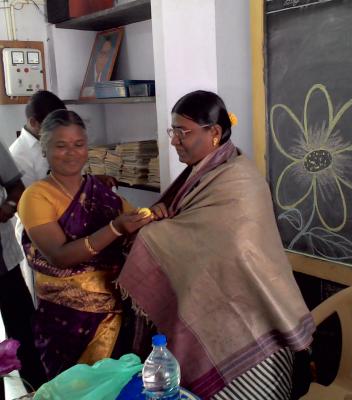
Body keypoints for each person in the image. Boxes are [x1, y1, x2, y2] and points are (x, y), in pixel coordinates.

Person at [118, 90, 316, 400]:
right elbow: (193, 230)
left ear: (214, 133)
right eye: (173, 131)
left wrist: (154, 231)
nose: (174, 141)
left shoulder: (238, 178)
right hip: (217, 309)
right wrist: (164, 220)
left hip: (251, 324)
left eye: (183, 132)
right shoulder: (205, 171)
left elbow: (232, 246)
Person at [18, 109, 155, 379]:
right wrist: (115, 228)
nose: (71, 153)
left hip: (114, 313)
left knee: (114, 387)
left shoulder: (101, 193)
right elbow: (59, 256)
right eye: (61, 146)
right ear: (44, 149)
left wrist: (154, 217)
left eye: (78, 145)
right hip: (65, 321)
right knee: (75, 388)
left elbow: (136, 228)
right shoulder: (36, 196)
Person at [9, 90, 67, 300]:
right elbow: (29, 206)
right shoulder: (19, 154)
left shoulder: (53, 143)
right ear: (34, 122)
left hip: (61, 227)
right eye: (52, 124)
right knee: (41, 296)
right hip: (35, 233)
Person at [0, 140, 47, 393]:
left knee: (24, 332)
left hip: (2, 261)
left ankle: (39, 392)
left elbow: (16, 189)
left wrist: (6, 208)